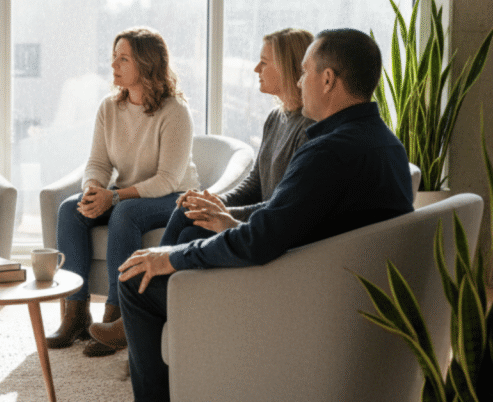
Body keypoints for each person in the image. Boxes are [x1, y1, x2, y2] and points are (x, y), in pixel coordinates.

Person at [116, 28, 414, 400]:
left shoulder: (328, 152)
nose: (301, 81)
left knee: (135, 279)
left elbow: (259, 243)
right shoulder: (386, 144)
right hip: (331, 291)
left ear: (327, 79)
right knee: (187, 241)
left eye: (305, 73)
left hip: (290, 304)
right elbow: (292, 216)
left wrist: (170, 258)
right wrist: (220, 226)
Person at [47, 27, 199, 358]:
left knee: (124, 212)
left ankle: (118, 318)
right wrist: (92, 190)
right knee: (69, 211)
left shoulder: (175, 111)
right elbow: (98, 163)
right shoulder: (109, 107)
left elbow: (167, 180)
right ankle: (74, 314)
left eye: (123, 58)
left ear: (146, 63)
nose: (114, 65)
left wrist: (114, 197)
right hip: (128, 191)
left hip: (171, 196)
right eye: (113, 57)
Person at [156, 27, 316, 248]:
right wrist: (215, 201)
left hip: (268, 228)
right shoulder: (275, 118)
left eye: (264, 62)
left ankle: (150, 274)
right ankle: (152, 272)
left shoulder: (309, 128)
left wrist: (223, 212)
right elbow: (255, 184)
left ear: (286, 67)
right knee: (186, 212)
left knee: (188, 233)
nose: (256, 68)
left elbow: (282, 208)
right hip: (257, 215)